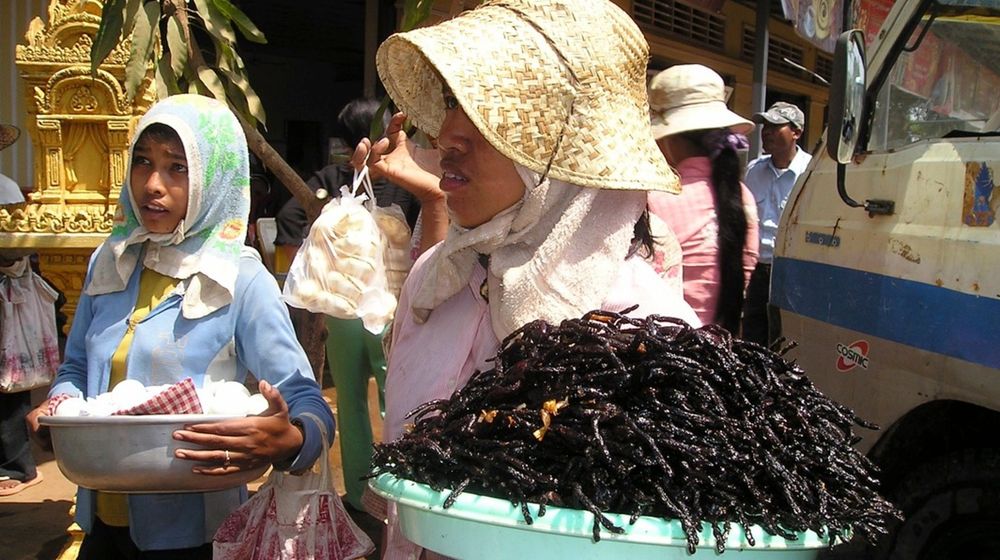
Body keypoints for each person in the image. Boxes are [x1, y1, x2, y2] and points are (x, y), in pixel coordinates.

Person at [354, 1, 700, 557]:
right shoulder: (433, 280)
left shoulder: (647, 332)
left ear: (563, 151)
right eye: (451, 102)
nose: (449, 135)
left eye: (487, 112)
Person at [25, 94, 335, 559]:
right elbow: (75, 369)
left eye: (177, 168)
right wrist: (59, 409)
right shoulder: (109, 264)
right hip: (104, 525)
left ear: (214, 179)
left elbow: (306, 400)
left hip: (197, 536)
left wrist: (292, 439)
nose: (152, 185)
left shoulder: (239, 278)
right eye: (143, 162)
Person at [274, 98, 425, 513]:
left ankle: (360, 495)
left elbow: (289, 218)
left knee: (351, 399)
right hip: (390, 306)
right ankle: (400, 495)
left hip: (342, 308)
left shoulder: (335, 179)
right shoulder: (409, 176)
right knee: (397, 397)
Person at [647, 64, 760, 333]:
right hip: (722, 350)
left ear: (668, 140)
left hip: (666, 351)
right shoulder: (744, 197)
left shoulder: (654, 198)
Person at [0, 123, 48, 497]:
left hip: (7, 292)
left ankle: (16, 466)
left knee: (10, 383)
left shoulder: (6, 189)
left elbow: (20, 246)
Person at [742, 101, 812, 346]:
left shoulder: (811, 174)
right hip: (757, 271)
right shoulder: (753, 170)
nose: (767, 132)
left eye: (775, 126)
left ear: (796, 132)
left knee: (787, 339)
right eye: (765, 126)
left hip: (792, 273)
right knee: (753, 336)